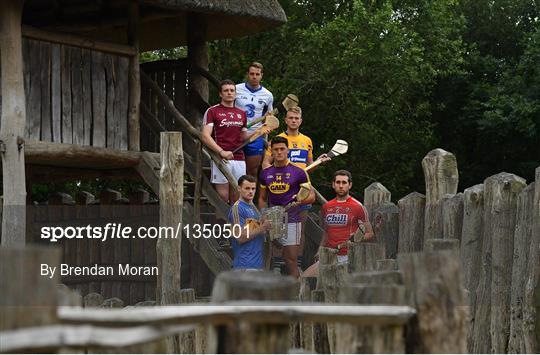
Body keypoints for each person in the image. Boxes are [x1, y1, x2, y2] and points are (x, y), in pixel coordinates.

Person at [258, 136, 315, 278]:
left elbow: (311, 196)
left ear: (288, 150)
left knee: (291, 259)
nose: (279, 152)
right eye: (275, 149)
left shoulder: (299, 172)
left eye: (282, 149)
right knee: (272, 256)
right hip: (274, 220)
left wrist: (299, 201)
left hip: (292, 219)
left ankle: (299, 291)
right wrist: (264, 215)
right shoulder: (265, 173)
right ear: (271, 152)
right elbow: (262, 198)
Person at [303, 170, 374, 277]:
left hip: (348, 257)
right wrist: (319, 250)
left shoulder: (358, 207)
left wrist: (355, 240)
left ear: (350, 185)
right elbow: (327, 232)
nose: (341, 186)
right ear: (333, 184)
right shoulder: (327, 207)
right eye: (338, 182)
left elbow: (370, 233)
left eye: (344, 183)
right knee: (305, 278)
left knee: (339, 287)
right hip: (328, 255)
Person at [201, 79, 250, 204]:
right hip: (221, 157)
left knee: (237, 196)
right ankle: (220, 224)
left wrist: (260, 131)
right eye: (226, 90)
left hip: (239, 158)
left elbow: (244, 137)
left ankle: (234, 224)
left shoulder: (241, 114)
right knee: (222, 197)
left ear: (235, 93)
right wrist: (221, 151)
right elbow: (205, 135)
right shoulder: (213, 111)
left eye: (232, 90)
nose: (229, 93)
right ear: (220, 94)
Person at [235, 62, 274, 178]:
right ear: (247, 74)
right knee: (236, 170)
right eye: (252, 73)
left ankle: (250, 196)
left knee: (253, 171)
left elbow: (269, 117)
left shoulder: (267, 95)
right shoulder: (236, 89)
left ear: (261, 75)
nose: (254, 76)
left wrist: (266, 128)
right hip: (237, 133)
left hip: (255, 135)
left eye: (257, 74)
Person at [229, 175, 271, 270]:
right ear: (239, 189)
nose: (251, 191)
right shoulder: (237, 208)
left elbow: (257, 233)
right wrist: (262, 227)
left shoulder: (253, 208)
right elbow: (240, 237)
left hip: (258, 265)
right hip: (244, 265)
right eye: (247, 188)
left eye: (253, 188)